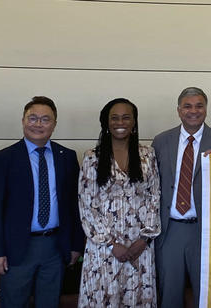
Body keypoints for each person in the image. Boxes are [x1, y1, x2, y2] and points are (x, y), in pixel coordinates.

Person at [0, 96, 84, 308]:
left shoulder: (66, 157)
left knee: (49, 303)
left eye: (45, 119)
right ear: (23, 121)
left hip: (55, 247)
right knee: (14, 303)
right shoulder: (4, 158)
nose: (38, 124)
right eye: (33, 118)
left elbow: (75, 206)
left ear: (54, 124)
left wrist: (76, 245)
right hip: (16, 248)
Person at [151, 87, 211, 307]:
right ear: (179, 110)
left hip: (204, 231)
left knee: (205, 295)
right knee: (169, 295)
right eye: (187, 106)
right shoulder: (161, 141)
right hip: (170, 230)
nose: (193, 111)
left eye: (199, 106)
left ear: (206, 109)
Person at [78, 98, 162, 306]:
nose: (120, 122)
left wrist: (145, 239)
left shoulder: (147, 155)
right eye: (114, 118)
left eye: (126, 117)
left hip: (139, 248)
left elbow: (154, 196)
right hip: (104, 249)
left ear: (134, 122)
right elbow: (87, 205)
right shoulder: (92, 158)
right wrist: (111, 244)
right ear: (106, 123)